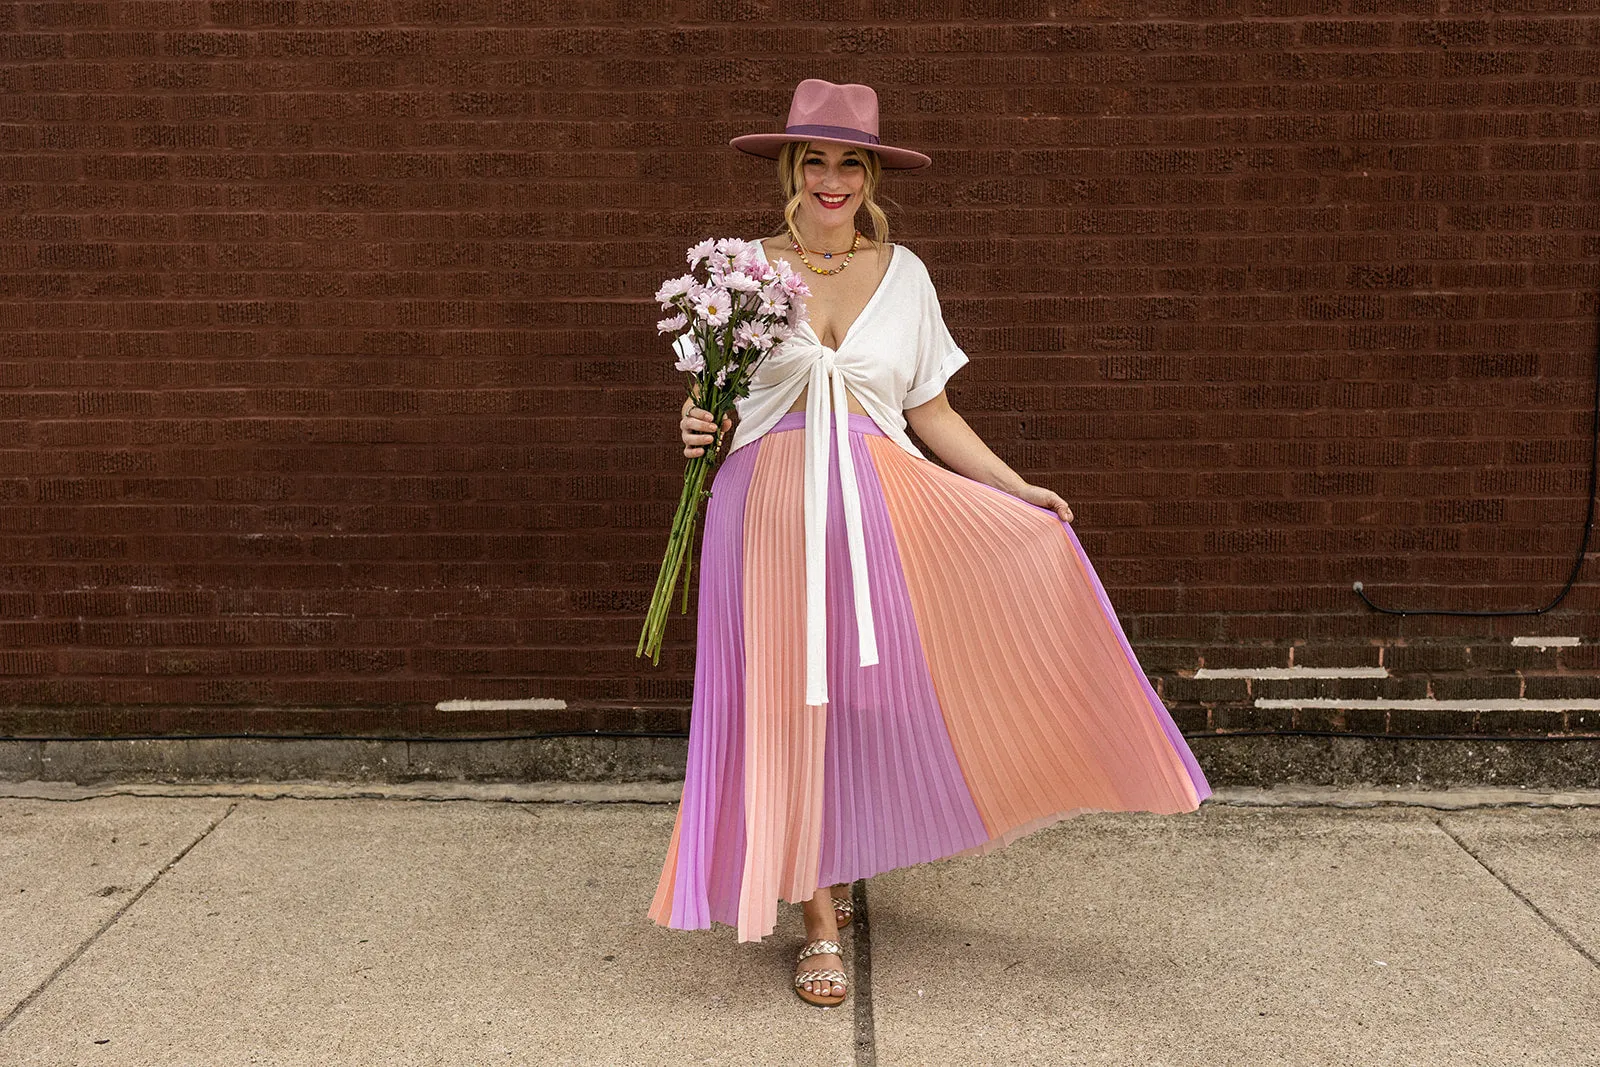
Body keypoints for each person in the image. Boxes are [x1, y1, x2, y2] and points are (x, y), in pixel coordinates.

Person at [648, 79, 1212, 1008]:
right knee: (784, 710)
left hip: (883, 511)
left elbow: (931, 410)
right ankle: (819, 918)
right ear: (792, 169)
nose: (833, 180)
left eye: (851, 162)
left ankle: (846, 850)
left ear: (870, 176)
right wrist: (695, 425)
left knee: (869, 707)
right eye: (816, 160)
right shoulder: (740, 272)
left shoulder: (905, 275)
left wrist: (1012, 486)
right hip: (763, 518)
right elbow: (707, 401)